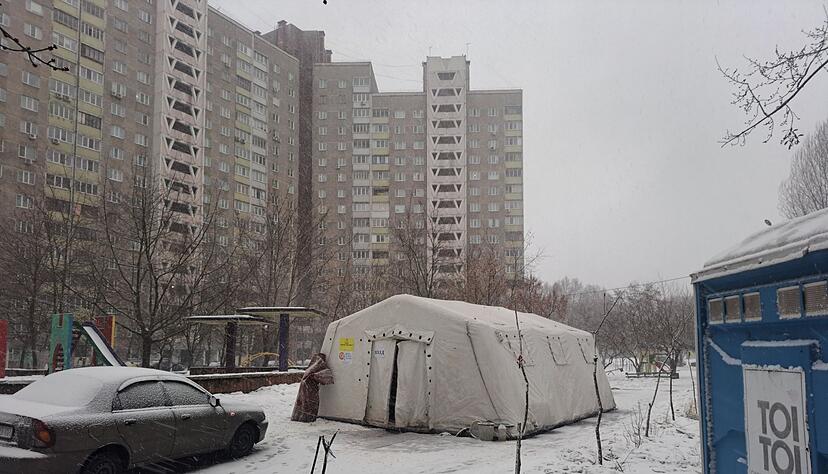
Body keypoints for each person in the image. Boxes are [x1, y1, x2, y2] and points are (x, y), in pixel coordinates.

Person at [291, 353, 334, 422]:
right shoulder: (318, 365)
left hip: (306, 388)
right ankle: (308, 418)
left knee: (304, 404)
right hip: (310, 389)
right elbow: (324, 376)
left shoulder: (313, 366)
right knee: (310, 404)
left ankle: (302, 417)